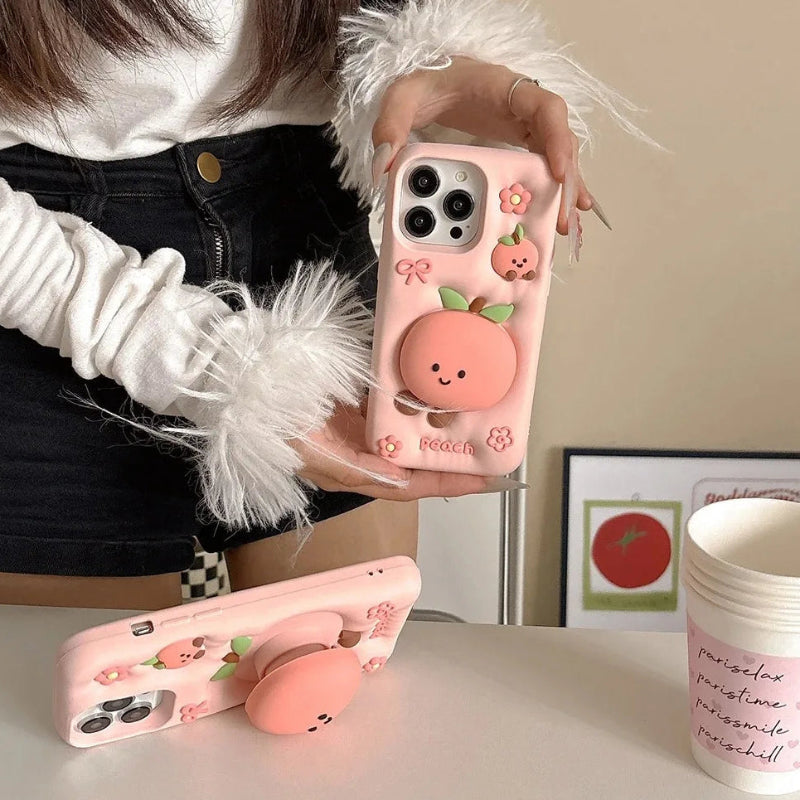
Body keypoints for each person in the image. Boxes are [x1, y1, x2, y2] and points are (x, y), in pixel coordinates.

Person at [0, 0, 648, 610]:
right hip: (44, 268)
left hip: (310, 227)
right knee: (89, 679)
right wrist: (202, 359)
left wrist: (430, 62)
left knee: (343, 666)